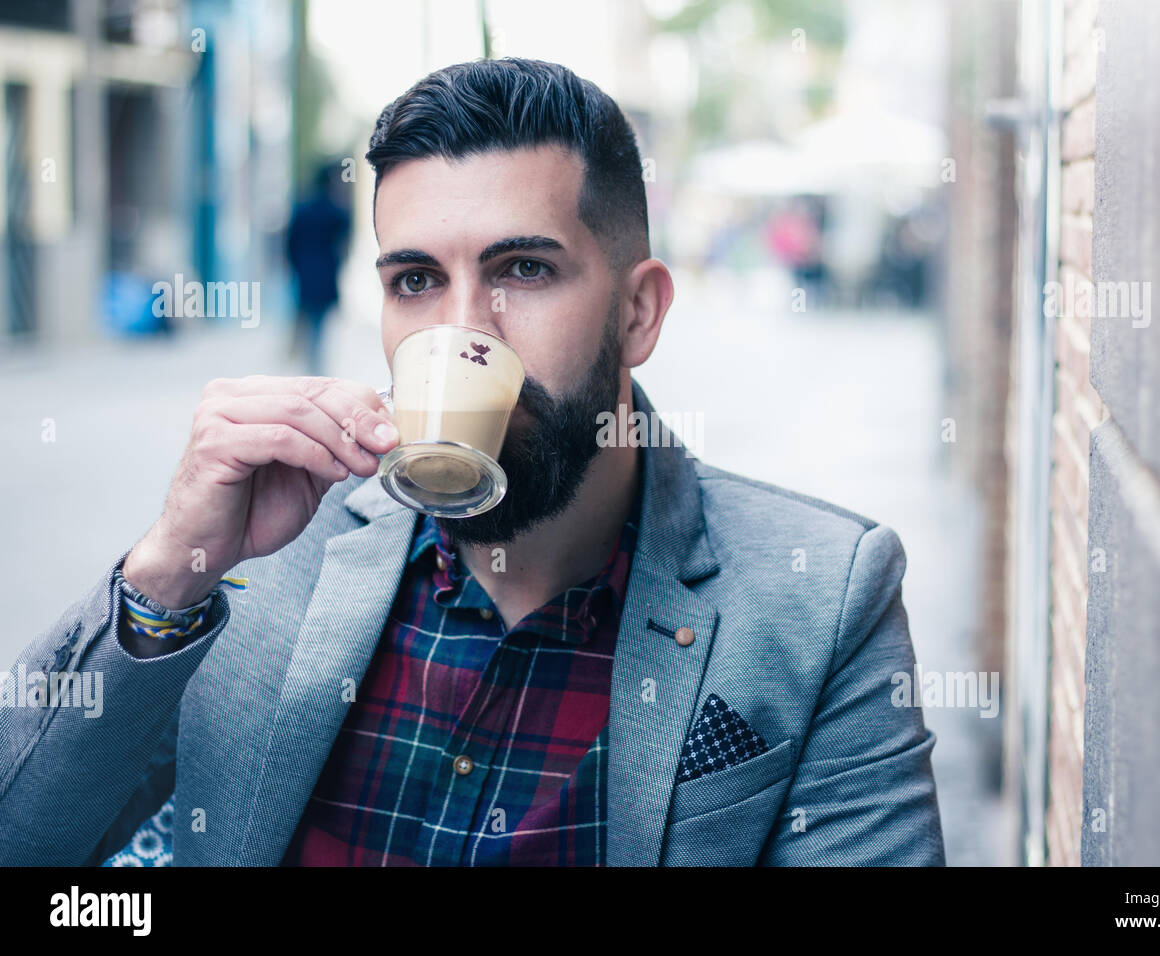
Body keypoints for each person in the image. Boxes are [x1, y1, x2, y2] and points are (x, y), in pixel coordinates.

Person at [0, 58, 944, 866]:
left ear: (639, 312)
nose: (460, 334)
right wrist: (169, 573)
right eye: (416, 281)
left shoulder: (819, 598)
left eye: (523, 270)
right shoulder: (268, 553)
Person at [286, 162, 351, 375]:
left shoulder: (302, 210)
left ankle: (309, 362)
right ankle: (314, 365)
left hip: (305, 275)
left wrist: (295, 268)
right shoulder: (335, 212)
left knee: (307, 318)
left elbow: (290, 245)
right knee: (318, 324)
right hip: (326, 276)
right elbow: (344, 244)